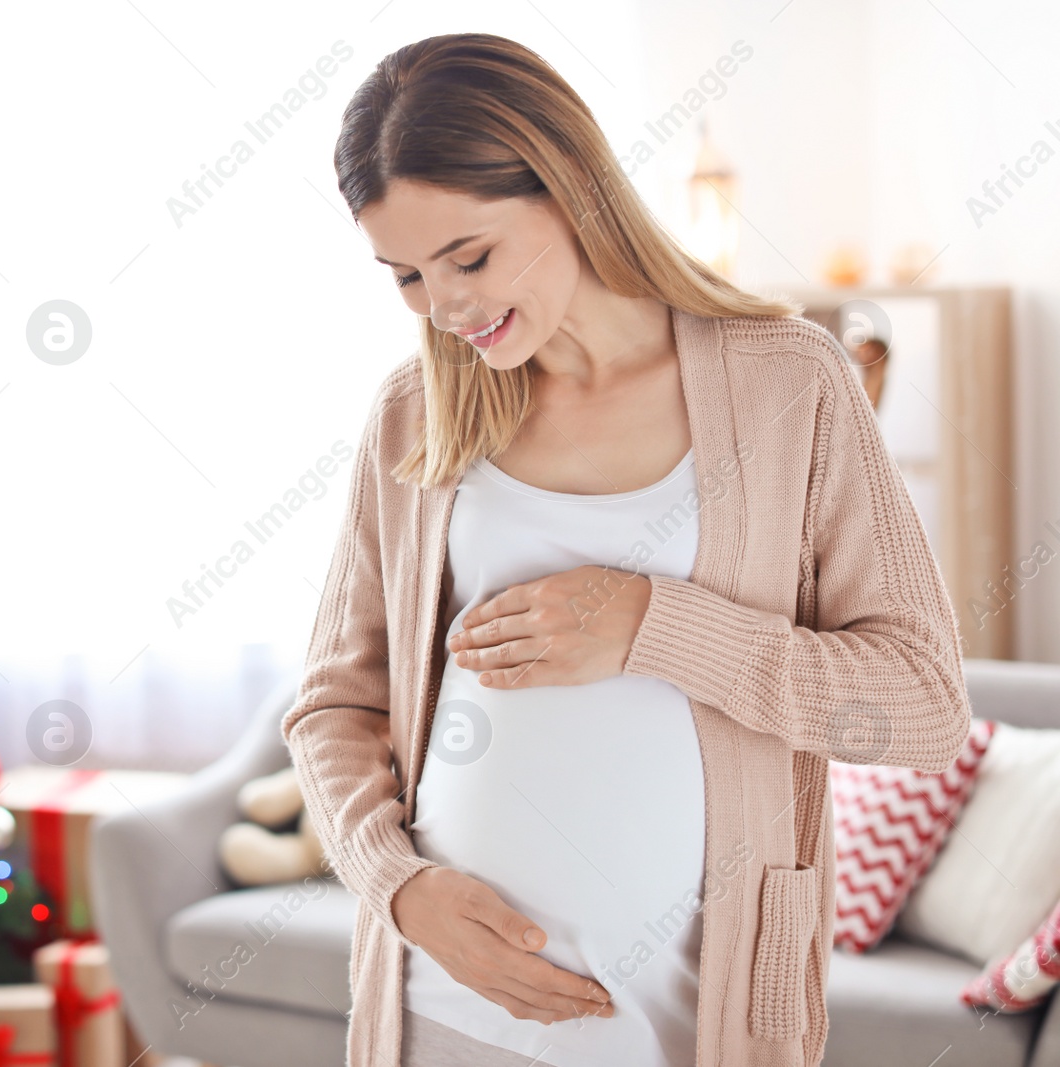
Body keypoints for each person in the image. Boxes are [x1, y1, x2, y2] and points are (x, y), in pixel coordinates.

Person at [282, 32, 971, 1067]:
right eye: (407, 276)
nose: (448, 305)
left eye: (468, 255)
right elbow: (335, 704)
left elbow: (921, 702)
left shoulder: (789, 382)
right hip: (448, 1012)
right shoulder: (415, 413)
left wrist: (654, 624)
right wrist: (397, 883)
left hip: (696, 1021)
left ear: (572, 187)